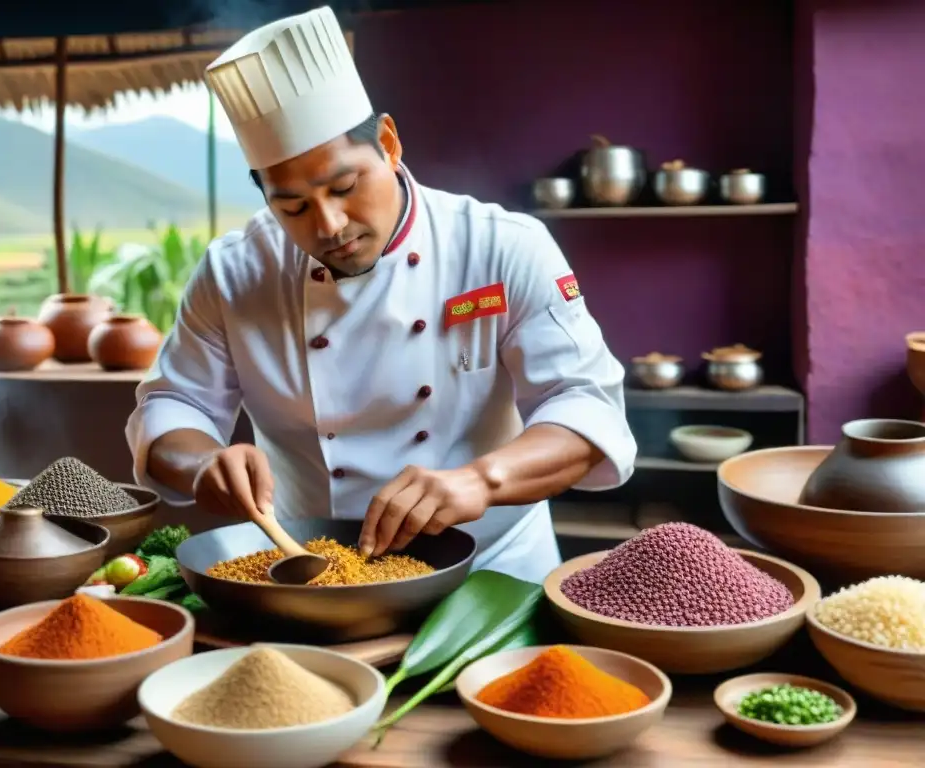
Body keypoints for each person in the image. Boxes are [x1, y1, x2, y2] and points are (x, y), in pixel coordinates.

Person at [125, 5, 638, 584]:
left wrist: (481, 479)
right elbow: (174, 406)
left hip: (493, 572)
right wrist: (202, 464)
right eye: (291, 206)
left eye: (344, 186)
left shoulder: (503, 246)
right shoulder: (234, 271)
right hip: (310, 571)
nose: (329, 225)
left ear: (389, 144)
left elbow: (586, 405)